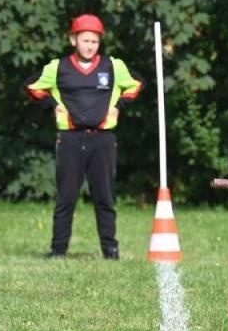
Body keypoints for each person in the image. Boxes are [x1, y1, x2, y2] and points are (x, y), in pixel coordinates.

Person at [26, 13, 143, 259]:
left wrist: (119, 105)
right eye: (85, 40)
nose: (89, 46)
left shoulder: (113, 66)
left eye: (94, 41)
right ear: (73, 40)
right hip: (70, 139)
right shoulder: (58, 67)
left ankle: (110, 251)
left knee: (104, 197)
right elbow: (32, 86)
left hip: (103, 139)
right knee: (66, 198)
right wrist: (52, 105)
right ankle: (58, 251)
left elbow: (136, 84)